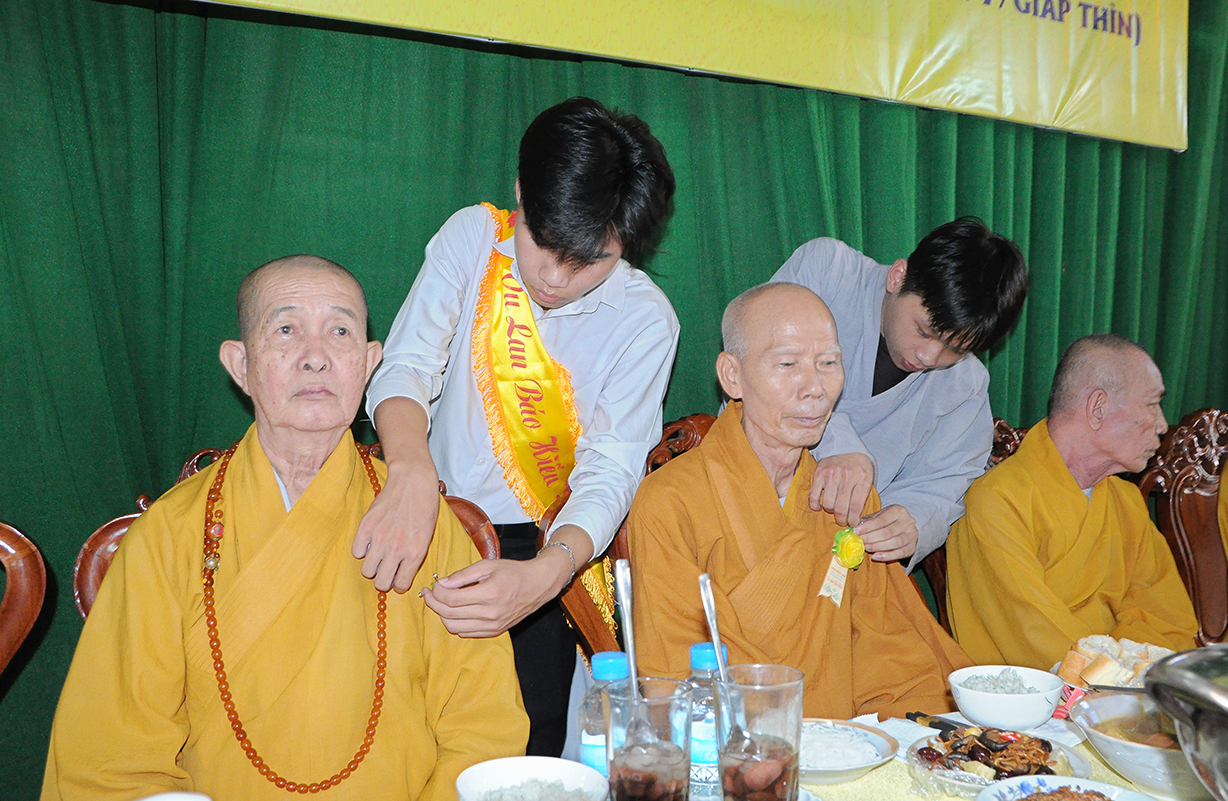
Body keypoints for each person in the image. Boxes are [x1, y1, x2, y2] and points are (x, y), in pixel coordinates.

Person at [41, 256, 528, 801]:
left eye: (339, 331)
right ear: (241, 365)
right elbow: (113, 754)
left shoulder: (419, 520)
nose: (316, 357)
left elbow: (482, 724)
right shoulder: (171, 534)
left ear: (369, 362)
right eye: (287, 330)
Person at [357, 97, 678, 755]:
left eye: (589, 260)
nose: (554, 277)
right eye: (542, 244)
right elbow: (406, 368)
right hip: (427, 516)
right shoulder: (474, 239)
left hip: (548, 551)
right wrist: (409, 470)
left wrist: (546, 576)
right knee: (394, 734)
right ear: (521, 193)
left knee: (527, 751)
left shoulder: (647, 320)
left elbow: (612, 471)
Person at [630, 283, 972, 719]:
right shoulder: (669, 501)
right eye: (788, 364)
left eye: (829, 363)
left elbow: (886, 645)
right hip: (734, 743)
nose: (816, 388)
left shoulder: (846, 497)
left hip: (847, 740)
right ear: (732, 375)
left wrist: (895, 734)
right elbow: (673, 668)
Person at [771, 219, 1029, 570]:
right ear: (897, 277)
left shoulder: (965, 386)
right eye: (924, 330)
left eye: (956, 349)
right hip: (755, 506)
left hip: (839, 563)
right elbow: (762, 367)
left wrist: (910, 524)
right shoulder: (828, 274)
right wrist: (836, 444)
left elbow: (942, 489)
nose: (929, 357)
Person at [946, 334, 1198, 670]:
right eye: (1152, 405)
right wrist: (1119, 668)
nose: (1163, 425)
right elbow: (1031, 632)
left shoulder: (1126, 502)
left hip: (1123, 685)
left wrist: (1130, 669)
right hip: (1032, 691)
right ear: (1098, 408)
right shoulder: (997, 499)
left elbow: (1169, 621)